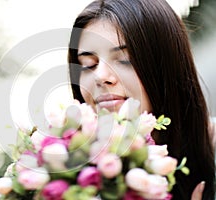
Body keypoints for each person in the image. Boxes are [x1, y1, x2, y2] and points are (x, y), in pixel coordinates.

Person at [67, 0, 215, 199]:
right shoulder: (67, 177)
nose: (100, 76)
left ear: (167, 66)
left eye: (124, 59)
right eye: (88, 64)